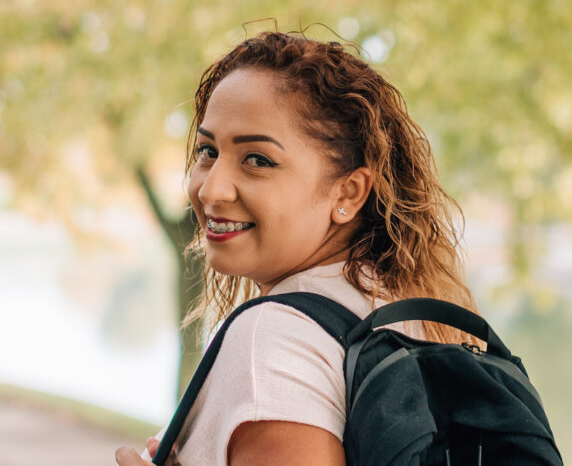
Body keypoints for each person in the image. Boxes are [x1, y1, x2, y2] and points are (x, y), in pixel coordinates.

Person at [115, 31, 480, 466]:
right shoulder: (411, 315)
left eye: (257, 159)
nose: (211, 189)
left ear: (348, 192)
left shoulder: (274, 337)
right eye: (208, 151)